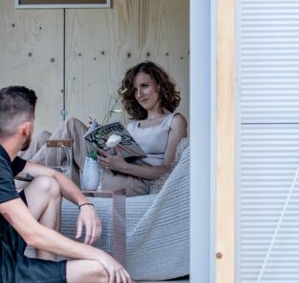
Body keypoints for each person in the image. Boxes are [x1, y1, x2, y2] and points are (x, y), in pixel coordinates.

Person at [0, 86, 183, 283]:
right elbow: (33, 234)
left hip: (2, 252)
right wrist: (99, 255)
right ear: (26, 127)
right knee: (100, 270)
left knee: (47, 184)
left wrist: (84, 204)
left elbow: (54, 175)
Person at [27, 61, 188, 196]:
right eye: (135, 90)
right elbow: (117, 152)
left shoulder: (174, 121)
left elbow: (168, 171)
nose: (139, 94)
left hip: (138, 182)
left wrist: (123, 166)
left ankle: (22, 171)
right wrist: (97, 134)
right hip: (113, 172)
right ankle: (21, 174)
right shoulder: (132, 126)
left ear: (159, 86)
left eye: (144, 86)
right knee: (43, 137)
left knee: (72, 126)